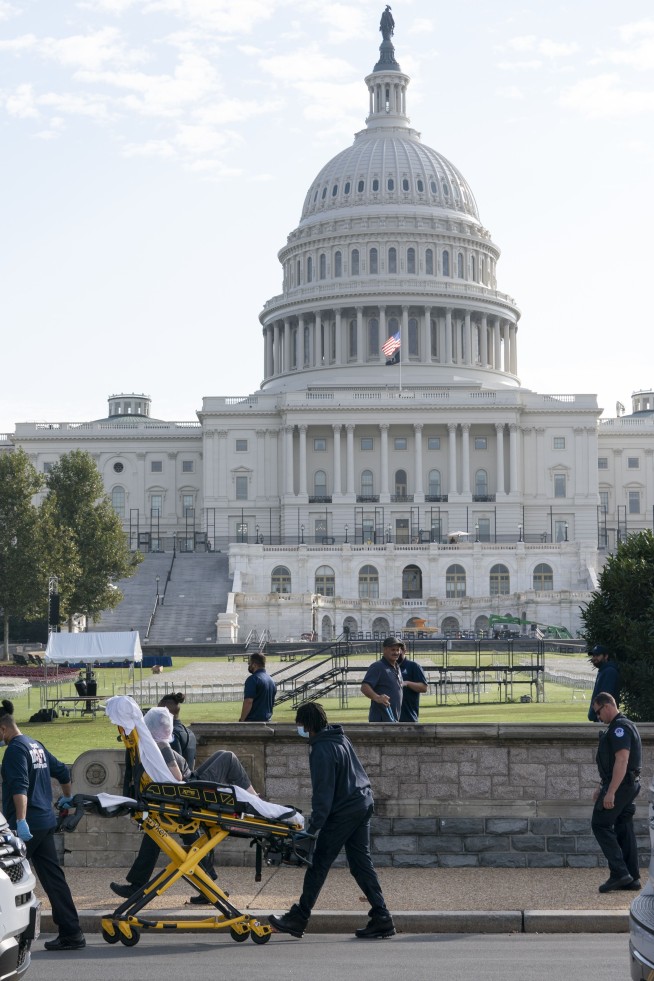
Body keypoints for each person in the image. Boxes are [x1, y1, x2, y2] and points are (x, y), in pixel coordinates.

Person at [268, 701, 394, 940]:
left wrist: (312, 829)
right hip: (362, 803)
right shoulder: (340, 739)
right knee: (360, 864)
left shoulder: (321, 750)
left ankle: (299, 917)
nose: (299, 730)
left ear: (307, 725)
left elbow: (323, 795)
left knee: (318, 864)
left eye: (300, 725)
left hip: (344, 811)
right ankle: (382, 917)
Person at [111, 707, 257, 904]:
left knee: (159, 834)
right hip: (189, 791)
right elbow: (178, 777)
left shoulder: (149, 748)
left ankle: (139, 885)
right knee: (227, 756)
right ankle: (256, 800)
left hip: (177, 797)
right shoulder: (161, 746)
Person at [0, 699, 85, 951]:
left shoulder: (15, 750)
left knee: (9, 879)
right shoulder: (36, 745)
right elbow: (63, 772)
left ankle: (10, 932)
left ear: (3, 729)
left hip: (25, 827)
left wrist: (22, 821)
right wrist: (66, 800)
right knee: (53, 880)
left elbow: (20, 789)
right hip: (46, 822)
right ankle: (72, 933)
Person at [590, 692, 642, 893]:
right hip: (627, 785)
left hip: (620, 786)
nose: (598, 718)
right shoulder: (625, 725)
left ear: (607, 706)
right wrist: (600, 785)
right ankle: (632, 877)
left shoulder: (619, 728)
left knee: (600, 823)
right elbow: (613, 764)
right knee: (623, 826)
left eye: (598, 713)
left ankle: (619, 873)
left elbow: (622, 760)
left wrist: (610, 792)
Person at [360, 637, 403, 722]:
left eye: (398, 650)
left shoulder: (397, 667)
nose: (396, 652)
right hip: (381, 720)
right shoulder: (377, 667)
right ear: (385, 650)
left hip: (393, 719)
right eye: (393, 650)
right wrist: (377, 697)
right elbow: (364, 686)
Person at [158, 691, 197, 769]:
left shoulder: (171, 734)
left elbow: (176, 765)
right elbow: (193, 763)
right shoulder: (190, 732)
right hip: (190, 779)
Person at [239, 653, 276, 722]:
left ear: (254, 664)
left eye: (249, 663)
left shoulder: (253, 679)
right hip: (268, 720)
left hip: (253, 722)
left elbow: (248, 701)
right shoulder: (271, 680)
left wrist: (242, 720)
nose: (249, 665)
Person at [587, 645, 620, 721]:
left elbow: (605, 698)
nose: (594, 658)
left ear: (606, 656)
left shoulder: (610, 672)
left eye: (597, 655)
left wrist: (599, 717)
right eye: (593, 655)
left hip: (604, 718)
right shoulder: (603, 671)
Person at [397, 642, 428, 722]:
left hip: (408, 716)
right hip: (389, 717)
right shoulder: (387, 667)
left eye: (398, 650)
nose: (396, 653)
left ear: (404, 651)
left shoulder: (413, 666)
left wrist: (407, 683)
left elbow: (424, 687)